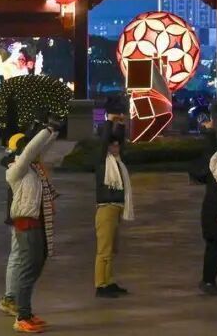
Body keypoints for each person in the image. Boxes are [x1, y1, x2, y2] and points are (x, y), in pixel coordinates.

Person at [6, 119, 61, 333]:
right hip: (26, 225)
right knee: (28, 268)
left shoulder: (34, 169)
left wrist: (54, 132)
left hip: (38, 223)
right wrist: (47, 130)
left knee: (37, 264)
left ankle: (26, 312)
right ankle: (22, 316)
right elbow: (31, 150)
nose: (39, 154)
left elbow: (39, 149)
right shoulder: (17, 170)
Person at [94, 114, 133, 298]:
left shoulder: (118, 163)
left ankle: (109, 281)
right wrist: (109, 122)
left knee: (112, 249)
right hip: (106, 208)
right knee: (104, 249)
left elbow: (121, 143)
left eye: (117, 145)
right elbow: (104, 141)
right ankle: (100, 284)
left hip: (117, 207)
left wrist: (121, 125)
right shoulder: (103, 161)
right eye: (113, 145)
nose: (116, 148)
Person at [189, 120, 217, 296]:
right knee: (216, 247)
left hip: (212, 213)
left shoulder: (215, 167)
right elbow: (211, 152)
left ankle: (208, 281)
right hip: (215, 214)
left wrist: (210, 132)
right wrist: (210, 133)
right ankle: (208, 281)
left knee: (215, 247)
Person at [0, 149, 22, 317]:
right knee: (17, 257)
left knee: (19, 257)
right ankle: (10, 297)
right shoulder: (17, 170)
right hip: (19, 219)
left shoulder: (17, 168)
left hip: (19, 219)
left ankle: (12, 296)